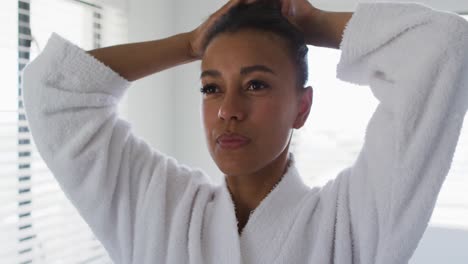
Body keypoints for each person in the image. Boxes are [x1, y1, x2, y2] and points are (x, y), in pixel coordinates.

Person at [22, 0, 468, 263]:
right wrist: (189, 43)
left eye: (256, 85)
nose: (228, 112)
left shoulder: (349, 223)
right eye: (211, 87)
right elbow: (55, 91)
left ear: (302, 107)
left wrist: (313, 22)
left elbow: (443, 48)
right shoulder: (159, 209)